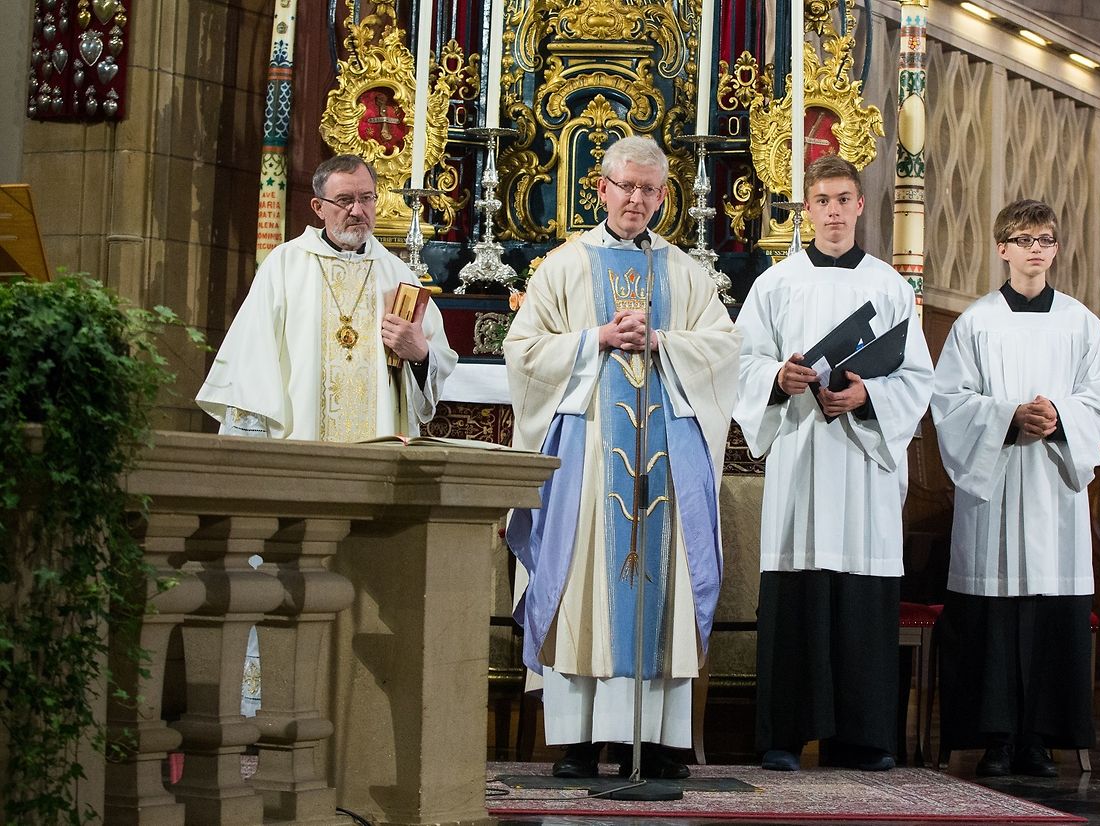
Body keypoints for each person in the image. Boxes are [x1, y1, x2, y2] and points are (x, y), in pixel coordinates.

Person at [504, 135, 741, 780]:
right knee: (582, 581)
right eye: (624, 187)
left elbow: (725, 350)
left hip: (666, 454)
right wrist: (595, 340)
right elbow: (523, 352)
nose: (636, 200)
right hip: (587, 461)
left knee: (665, 583)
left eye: (649, 190)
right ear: (600, 188)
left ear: (665, 196)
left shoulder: (687, 273)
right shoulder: (563, 266)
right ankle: (579, 742)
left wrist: (664, 341)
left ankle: (660, 744)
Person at [733, 155, 934, 772]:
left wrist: (867, 394)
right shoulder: (776, 283)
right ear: (808, 209)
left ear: (861, 206)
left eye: (844, 200)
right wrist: (778, 376)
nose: (834, 212)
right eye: (822, 201)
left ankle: (865, 738)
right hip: (800, 455)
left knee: (860, 594)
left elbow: (918, 376)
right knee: (796, 593)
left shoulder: (889, 286)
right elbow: (742, 364)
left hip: (861, 463)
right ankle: (782, 737)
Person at [930, 199, 1100, 778]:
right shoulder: (976, 323)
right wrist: (1008, 418)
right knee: (993, 611)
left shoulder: (1080, 322)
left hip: (1052, 486)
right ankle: (994, 738)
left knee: (1049, 609)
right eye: (1024, 238)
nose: (1036, 248)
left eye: (1046, 238)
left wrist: (1059, 416)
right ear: (1002, 248)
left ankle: (1039, 738)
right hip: (996, 484)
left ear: (1056, 248)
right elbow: (949, 401)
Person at [197, 154, 456, 440]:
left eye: (367, 198)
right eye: (345, 200)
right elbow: (249, 363)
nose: (358, 210)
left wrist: (420, 354)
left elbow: (436, 358)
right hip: (301, 449)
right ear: (318, 207)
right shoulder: (285, 265)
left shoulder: (397, 274)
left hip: (379, 452)